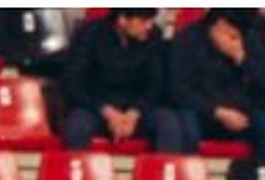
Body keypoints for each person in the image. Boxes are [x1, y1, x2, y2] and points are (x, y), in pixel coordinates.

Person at [60, 9, 185, 152]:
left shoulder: (153, 36)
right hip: (97, 108)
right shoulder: (91, 34)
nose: (149, 26)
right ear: (122, 20)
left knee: (168, 122)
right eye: (143, 21)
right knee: (78, 125)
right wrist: (107, 111)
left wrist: (135, 112)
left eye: (151, 20)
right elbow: (72, 82)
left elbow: (157, 84)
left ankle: (164, 173)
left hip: (137, 110)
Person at [170, 9, 265, 161]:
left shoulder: (247, 38)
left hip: (241, 111)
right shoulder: (187, 39)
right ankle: (190, 177)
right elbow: (180, 90)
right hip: (204, 111)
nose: (235, 35)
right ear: (218, 23)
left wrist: (241, 58)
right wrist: (216, 111)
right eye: (229, 28)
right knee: (185, 124)